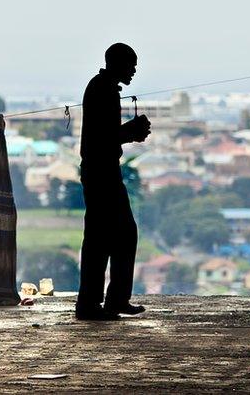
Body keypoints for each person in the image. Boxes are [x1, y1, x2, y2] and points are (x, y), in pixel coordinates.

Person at [75, 43, 151, 320]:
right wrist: (131, 132)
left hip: (103, 171)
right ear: (118, 64)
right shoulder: (102, 90)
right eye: (131, 64)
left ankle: (110, 300)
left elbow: (104, 135)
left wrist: (128, 132)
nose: (133, 70)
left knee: (115, 236)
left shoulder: (103, 87)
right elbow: (101, 138)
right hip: (101, 173)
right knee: (103, 238)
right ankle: (93, 304)